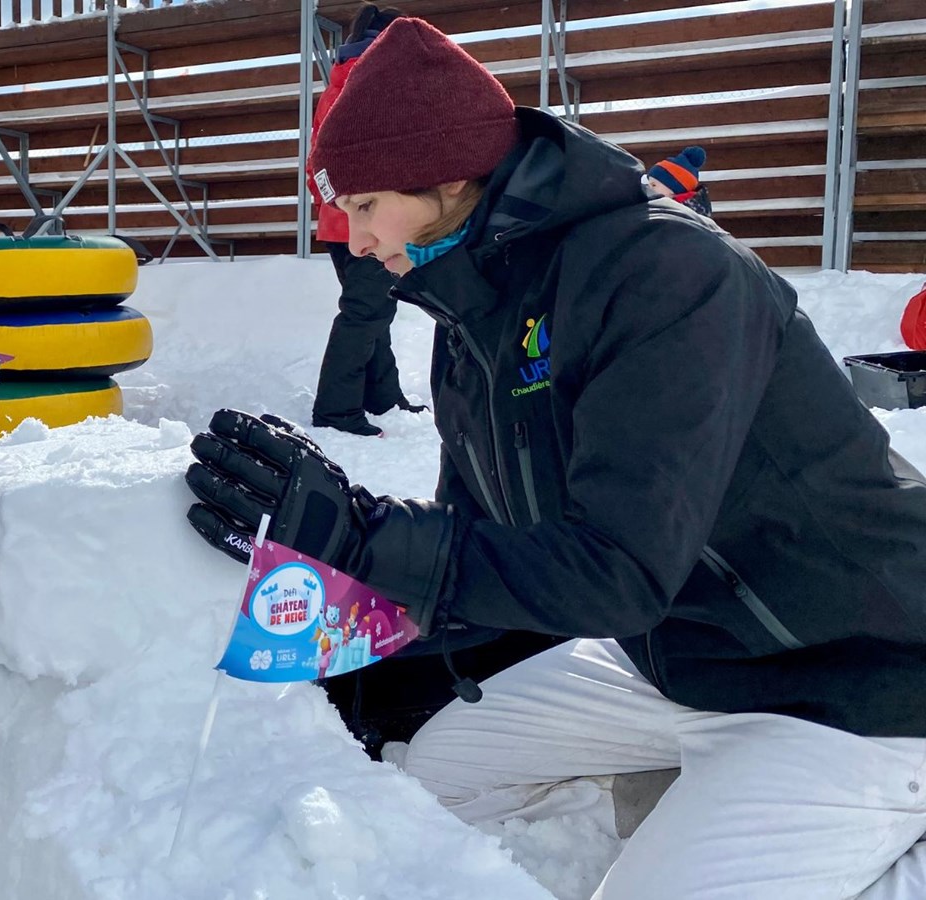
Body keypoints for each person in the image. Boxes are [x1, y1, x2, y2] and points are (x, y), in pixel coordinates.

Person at [185, 16, 926, 899]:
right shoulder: (476, 306)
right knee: (431, 784)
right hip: (681, 654)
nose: (352, 237)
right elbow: (478, 534)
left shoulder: (665, 275)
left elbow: (616, 571)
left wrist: (367, 535)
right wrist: (343, 605)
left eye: (366, 204)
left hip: (857, 677)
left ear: (446, 176)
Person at [307, 3, 424, 437]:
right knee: (363, 315)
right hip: (374, 224)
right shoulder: (382, 82)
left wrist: (334, 207)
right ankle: (336, 412)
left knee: (374, 311)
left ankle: (382, 396)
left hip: (339, 226)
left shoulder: (339, 81)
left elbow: (316, 163)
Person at [647, 145, 713, 217]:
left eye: (653, 185)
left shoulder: (683, 214)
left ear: (674, 188)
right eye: (648, 184)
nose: (649, 188)